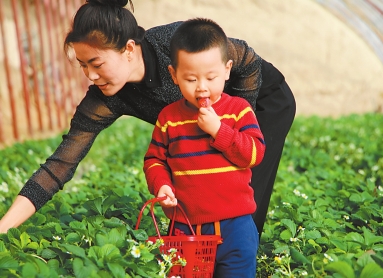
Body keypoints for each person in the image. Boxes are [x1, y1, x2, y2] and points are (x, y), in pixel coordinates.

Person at [0, 0, 296, 237]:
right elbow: (59, 165)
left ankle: (242, 258)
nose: (90, 75)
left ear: (128, 49)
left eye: (97, 63)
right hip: (209, 123)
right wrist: (4, 227)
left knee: (238, 194)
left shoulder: (171, 44)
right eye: (82, 65)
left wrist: (233, 123)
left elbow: (244, 56)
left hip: (265, 101)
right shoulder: (106, 97)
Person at [143, 17, 265, 277]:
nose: (202, 88)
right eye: (190, 79)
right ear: (173, 75)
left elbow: (254, 153)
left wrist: (219, 130)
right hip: (185, 228)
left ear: (227, 69)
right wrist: (161, 184)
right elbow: (155, 159)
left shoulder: (237, 110)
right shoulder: (168, 118)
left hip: (236, 226)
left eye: (211, 77)